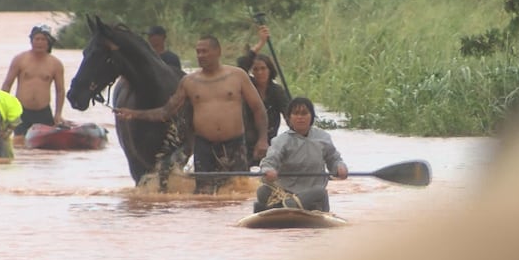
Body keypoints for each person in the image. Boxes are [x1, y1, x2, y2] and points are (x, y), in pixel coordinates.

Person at [115, 34, 269, 194]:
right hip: (204, 146)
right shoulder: (189, 81)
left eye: (204, 51)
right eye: (198, 52)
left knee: (239, 191)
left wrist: (262, 139)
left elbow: (258, 108)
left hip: (234, 144)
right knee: (203, 196)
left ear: (218, 52)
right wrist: (134, 114)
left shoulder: (237, 76)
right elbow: (166, 112)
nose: (200, 55)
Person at [253, 97, 348, 213]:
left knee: (320, 192)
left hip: (312, 197)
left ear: (311, 117)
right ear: (289, 118)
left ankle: (285, 206)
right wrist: (268, 170)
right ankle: (283, 205)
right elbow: (269, 161)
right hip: (284, 194)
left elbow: (334, 159)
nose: (300, 117)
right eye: (296, 113)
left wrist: (340, 167)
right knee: (263, 190)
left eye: (304, 113)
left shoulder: (323, 138)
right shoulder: (281, 141)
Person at [237, 24, 290, 166]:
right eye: (256, 69)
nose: (260, 72)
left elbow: (288, 114)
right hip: (245, 142)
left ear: (269, 70)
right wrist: (260, 44)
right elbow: (240, 66)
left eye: (263, 68)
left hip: (270, 142)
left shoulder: (277, 91)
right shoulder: (247, 86)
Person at [1, 24, 65, 138]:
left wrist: (58, 114)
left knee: (46, 144)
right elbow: (7, 85)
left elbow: (60, 91)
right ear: (31, 41)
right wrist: (4, 110)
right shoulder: (20, 59)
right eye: (37, 39)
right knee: (20, 142)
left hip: (44, 112)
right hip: (21, 111)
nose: (39, 42)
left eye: (43, 39)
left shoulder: (56, 64)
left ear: (48, 42)